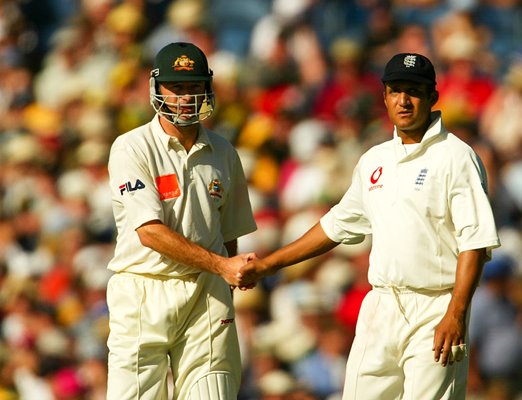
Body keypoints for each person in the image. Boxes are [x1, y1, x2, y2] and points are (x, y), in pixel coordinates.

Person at [237, 53, 501, 399]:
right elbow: (334, 226)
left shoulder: (456, 157)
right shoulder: (374, 160)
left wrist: (455, 314)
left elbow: (475, 244)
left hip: (436, 307)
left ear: (432, 97)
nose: (403, 101)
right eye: (395, 91)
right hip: (380, 304)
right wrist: (269, 265)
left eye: (413, 91)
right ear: (385, 97)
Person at [106, 42, 257, 400]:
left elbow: (229, 234)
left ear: (206, 89)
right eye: (175, 89)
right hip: (144, 288)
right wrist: (222, 265)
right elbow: (150, 233)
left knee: (214, 393)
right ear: (157, 89)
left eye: (193, 88)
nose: (185, 99)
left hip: (207, 292)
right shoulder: (132, 147)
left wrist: (225, 274)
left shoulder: (224, 151)